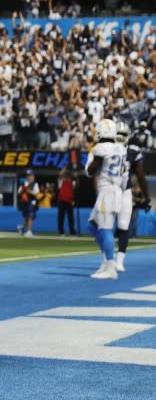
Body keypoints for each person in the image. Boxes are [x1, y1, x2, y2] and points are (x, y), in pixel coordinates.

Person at [85, 118, 126, 280]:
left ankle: (111, 266)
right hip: (114, 190)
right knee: (92, 225)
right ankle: (106, 260)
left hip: (107, 191)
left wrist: (89, 161)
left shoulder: (100, 149)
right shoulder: (120, 148)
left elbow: (91, 170)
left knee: (105, 228)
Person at [114, 121, 150, 272]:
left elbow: (140, 174)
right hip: (109, 189)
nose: (121, 138)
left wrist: (146, 196)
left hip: (124, 189)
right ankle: (108, 259)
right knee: (104, 225)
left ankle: (119, 260)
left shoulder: (132, 150)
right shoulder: (105, 148)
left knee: (123, 225)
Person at [17, 170, 39, 237]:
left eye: (30, 175)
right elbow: (19, 192)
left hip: (32, 202)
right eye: (28, 175)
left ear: (33, 176)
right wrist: (23, 189)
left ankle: (28, 231)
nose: (29, 177)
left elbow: (36, 193)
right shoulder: (23, 183)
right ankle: (22, 227)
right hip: (25, 202)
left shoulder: (35, 184)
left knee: (30, 216)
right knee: (27, 217)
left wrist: (28, 191)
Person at [57, 166, 76, 235]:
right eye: (65, 175)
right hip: (61, 200)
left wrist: (72, 170)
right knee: (61, 216)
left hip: (70, 201)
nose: (66, 177)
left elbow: (73, 191)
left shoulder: (73, 182)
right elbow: (60, 174)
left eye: (68, 176)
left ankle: (72, 231)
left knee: (71, 217)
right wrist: (65, 168)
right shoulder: (61, 181)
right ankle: (61, 231)